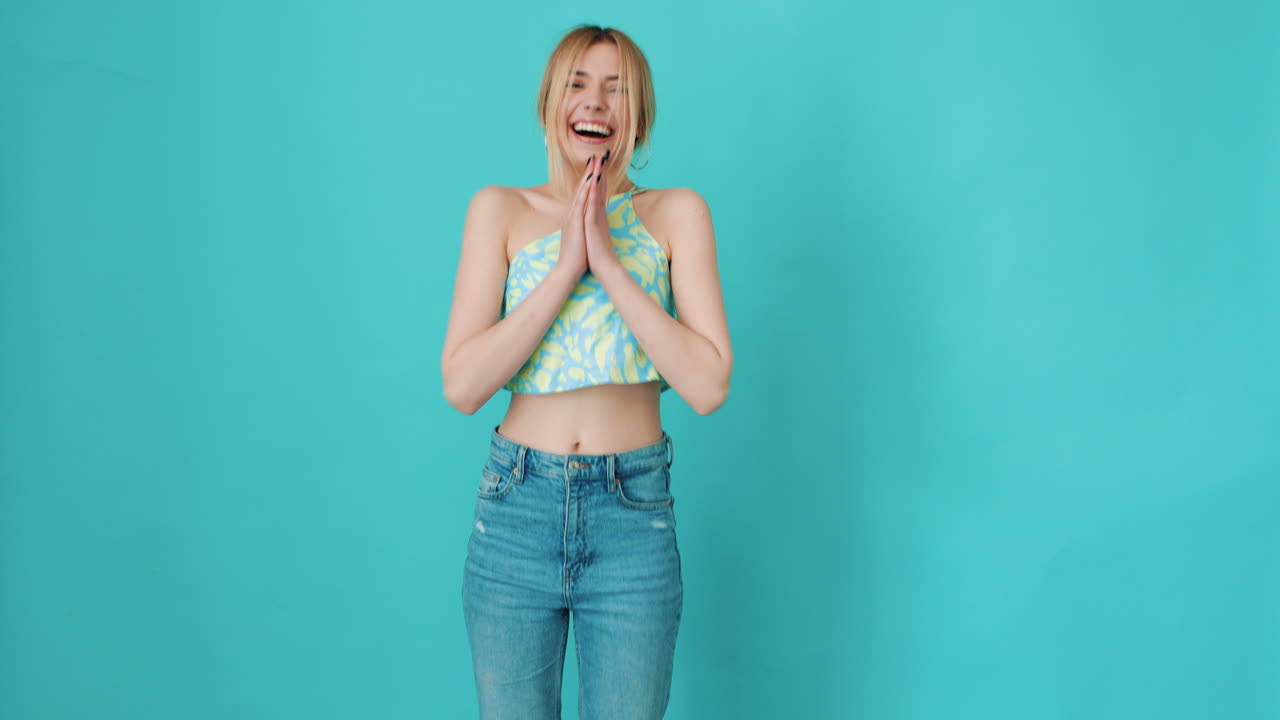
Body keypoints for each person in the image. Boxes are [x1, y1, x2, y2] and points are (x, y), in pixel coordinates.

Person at [440, 24, 733, 720]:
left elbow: (708, 384)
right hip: (516, 510)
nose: (595, 101)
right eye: (578, 82)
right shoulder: (501, 211)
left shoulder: (675, 215)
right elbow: (463, 384)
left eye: (617, 87)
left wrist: (606, 257)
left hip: (631, 517)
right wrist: (567, 262)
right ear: (550, 103)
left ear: (639, 113)